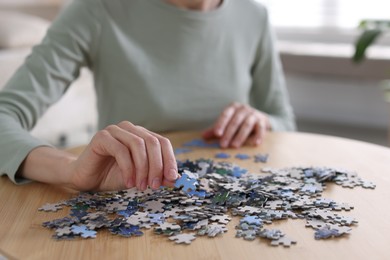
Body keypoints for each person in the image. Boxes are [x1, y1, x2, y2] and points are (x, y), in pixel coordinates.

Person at [0, 0, 295, 192]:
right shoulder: (96, 9)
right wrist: (70, 168)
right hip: (128, 203)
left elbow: (285, 122)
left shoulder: (255, 16)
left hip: (234, 202)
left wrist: (263, 120)